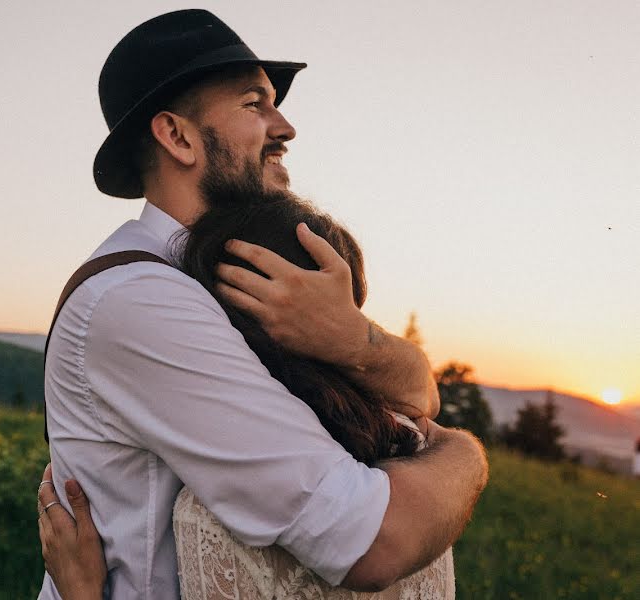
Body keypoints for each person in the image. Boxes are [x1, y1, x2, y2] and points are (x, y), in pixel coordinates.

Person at [40, 9, 487, 600]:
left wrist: (356, 341)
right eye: (255, 104)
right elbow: (369, 541)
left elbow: (418, 391)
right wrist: (468, 456)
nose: (285, 127)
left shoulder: (246, 271)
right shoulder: (138, 300)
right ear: (177, 136)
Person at [40, 193, 459, 599]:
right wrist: (462, 451)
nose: (284, 131)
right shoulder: (420, 466)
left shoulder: (210, 518)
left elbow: (371, 545)